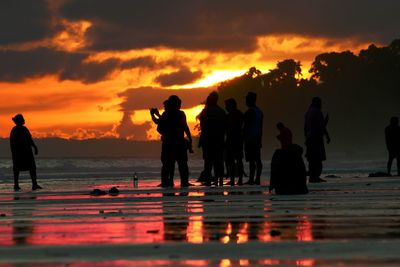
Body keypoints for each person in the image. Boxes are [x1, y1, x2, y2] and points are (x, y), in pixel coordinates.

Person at [156, 95, 193, 187]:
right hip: (178, 142)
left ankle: (166, 181)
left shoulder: (166, 114)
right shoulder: (180, 114)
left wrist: (166, 134)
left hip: (169, 143)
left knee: (168, 164)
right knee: (181, 164)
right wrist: (190, 138)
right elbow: (185, 127)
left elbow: (159, 129)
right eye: (178, 104)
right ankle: (183, 182)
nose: (179, 106)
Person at [198, 91, 226, 186]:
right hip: (218, 140)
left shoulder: (205, 112)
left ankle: (209, 180)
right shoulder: (221, 112)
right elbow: (224, 127)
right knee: (218, 161)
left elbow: (203, 127)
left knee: (208, 161)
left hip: (208, 140)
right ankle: (219, 180)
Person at [10, 114, 42, 191]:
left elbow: (30, 139)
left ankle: (34, 184)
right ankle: (16, 185)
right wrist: (15, 153)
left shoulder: (24, 129)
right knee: (17, 169)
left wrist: (35, 147)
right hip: (20, 153)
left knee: (32, 168)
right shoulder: (14, 130)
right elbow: (12, 143)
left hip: (27, 152)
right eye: (22, 119)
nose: (24, 120)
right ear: (19, 121)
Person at [304, 97, 330, 183]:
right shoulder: (318, 112)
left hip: (309, 138)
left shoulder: (308, 112)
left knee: (311, 159)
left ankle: (312, 176)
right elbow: (321, 126)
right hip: (317, 138)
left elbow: (305, 127)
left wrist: (306, 138)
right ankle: (315, 177)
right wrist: (327, 136)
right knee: (318, 159)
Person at [243, 92, 263, 185]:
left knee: (252, 160)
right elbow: (261, 127)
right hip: (257, 137)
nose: (246, 101)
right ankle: (257, 179)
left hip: (251, 138)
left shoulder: (250, 111)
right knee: (257, 159)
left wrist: (243, 137)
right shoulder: (259, 111)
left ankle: (252, 179)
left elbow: (245, 126)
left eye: (247, 99)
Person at [224, 98, 244, 186]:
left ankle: (233, 179)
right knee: (238, 160)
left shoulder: (229, 116)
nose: (226, 107)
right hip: (238, 139)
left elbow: (225, 129)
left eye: (227, 105)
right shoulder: (240, 114)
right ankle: (239, 179)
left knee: (232, 161)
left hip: (232, 140)